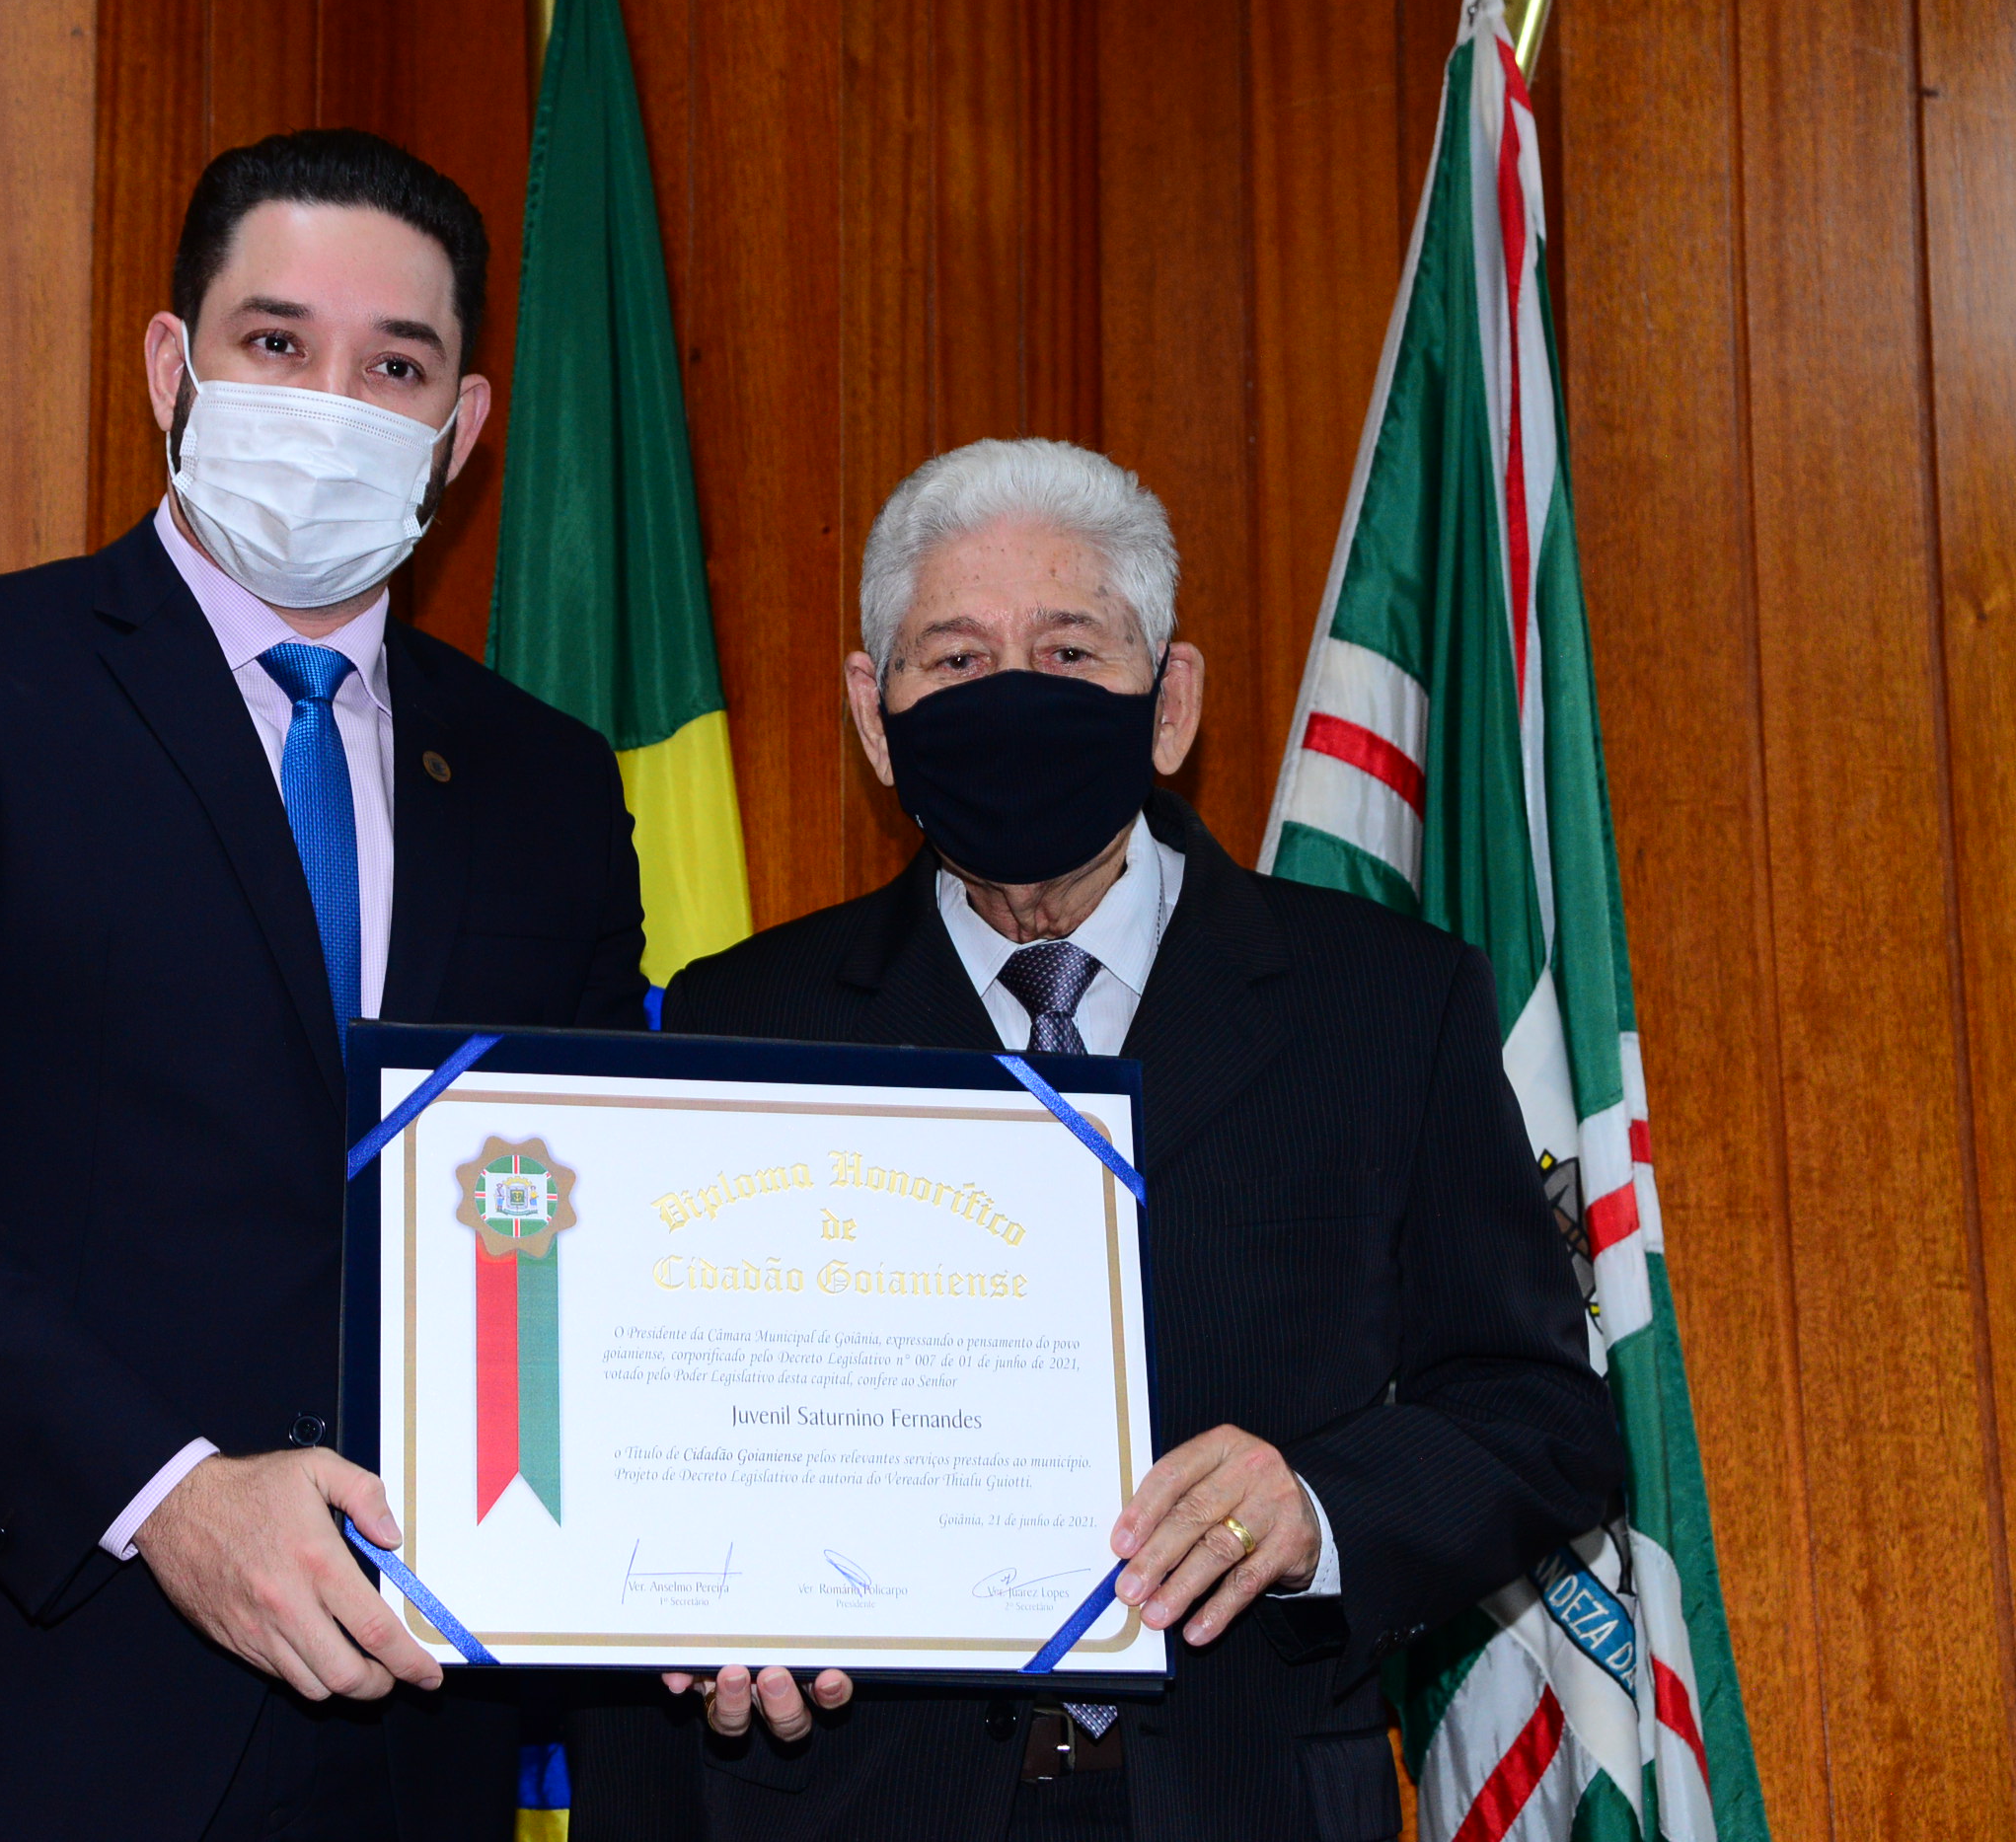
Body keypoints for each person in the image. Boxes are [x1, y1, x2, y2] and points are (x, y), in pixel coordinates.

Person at [0, 130, 647, 1842]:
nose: (332, 402)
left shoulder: (548, 785)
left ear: (464, 427)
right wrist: (166, 1494)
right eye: (276, 342)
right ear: (170, 366)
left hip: (394, 1754)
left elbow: (582, 1220)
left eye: (395, 366)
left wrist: (713, 1577)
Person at [566, 439, 1621, 1842]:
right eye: (955, 659)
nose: (1013, 697)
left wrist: (1315, 1509)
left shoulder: (1386, 1003)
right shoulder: (741, 1020)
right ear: (876, 716)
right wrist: (709, 1605)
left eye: (1070, 653)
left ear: (1168, 701)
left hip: (1249, 1800)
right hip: (854, 1803)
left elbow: (1541, 1418)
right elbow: (659, 1428)